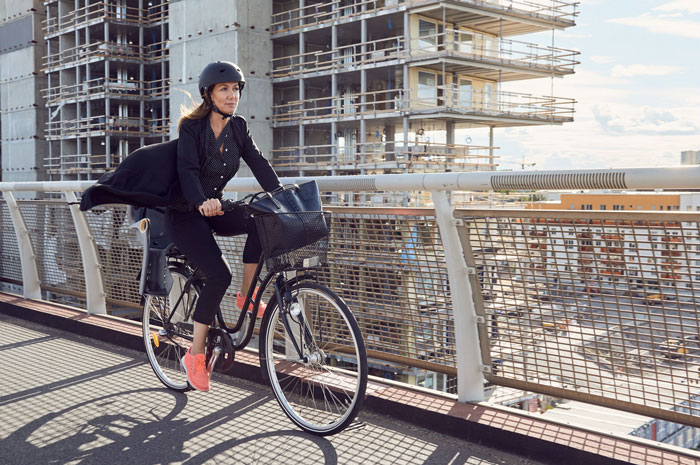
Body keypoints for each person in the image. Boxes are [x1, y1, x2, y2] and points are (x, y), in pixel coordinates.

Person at [170, 61, 282, 392]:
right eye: (224, 89)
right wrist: (200, 200)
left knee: (264, 217)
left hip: (215, 208)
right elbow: (188, 172)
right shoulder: (192, 128)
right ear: (209, 94)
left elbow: (259, 162)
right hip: (185, 212)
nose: (232, 95)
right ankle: (195, 354)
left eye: (236, 89)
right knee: (219, 275)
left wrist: (281, 194)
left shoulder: (238, 127)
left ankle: (246, 296)